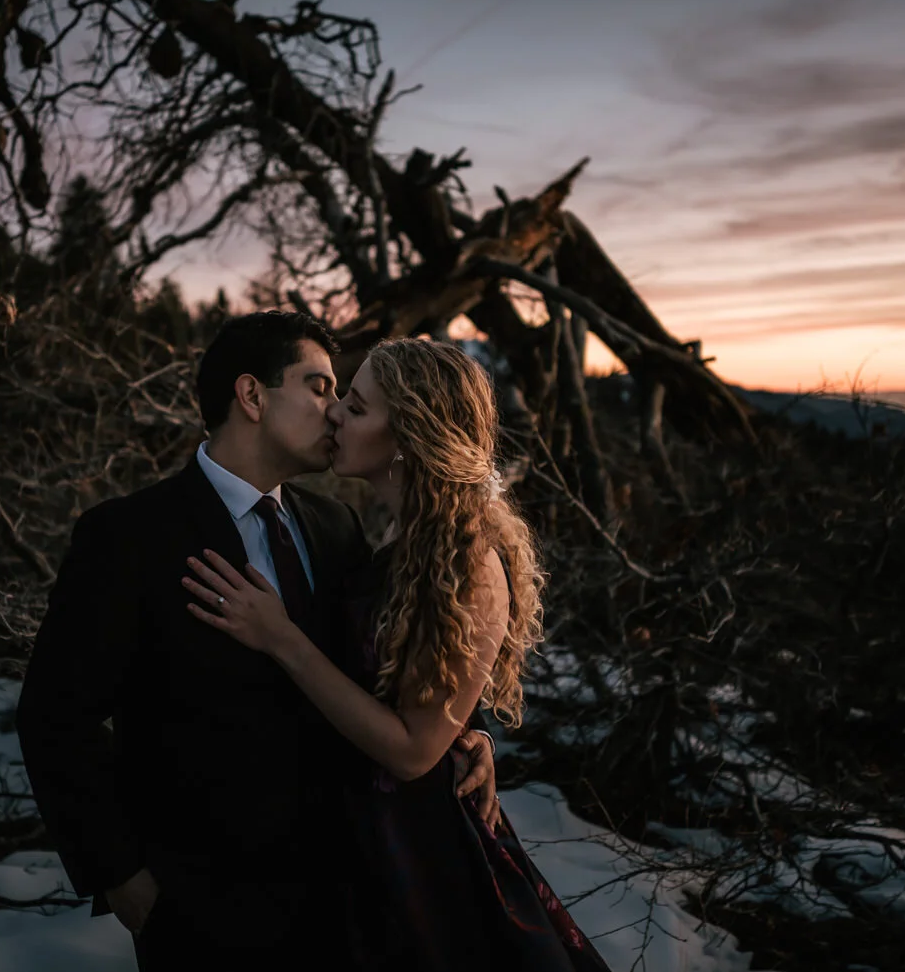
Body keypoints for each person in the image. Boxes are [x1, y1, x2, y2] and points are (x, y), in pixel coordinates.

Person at [15, 312, 499, 971]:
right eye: (321, 387)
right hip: (200, 908)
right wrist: (123, 875)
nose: (334, 413)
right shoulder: (128, 537)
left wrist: (459, 733)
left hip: (345, 896)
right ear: (251, 395)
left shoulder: (336, 527)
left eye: (344, 398)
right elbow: (55, 716)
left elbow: (380, 675)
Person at [183, 337, 613, 971]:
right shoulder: (385, 542)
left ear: (410, 433)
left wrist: (282, 639)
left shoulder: (470, 558)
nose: (334, 415)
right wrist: (468, 730)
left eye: (355, 408)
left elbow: (413, 751)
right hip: (349, 848)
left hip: (420, 857)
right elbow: (404, 682)